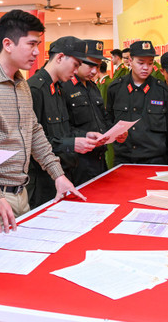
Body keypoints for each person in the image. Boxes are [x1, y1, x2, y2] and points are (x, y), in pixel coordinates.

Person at [0, 10, 84, 244]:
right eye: (31, 44)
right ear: (8, 44)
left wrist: (58, 175)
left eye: (38, 44)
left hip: (21, 192)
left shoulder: (21, 83)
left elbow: (34, 131)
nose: (37, 52)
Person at [27, 36, 103, 207]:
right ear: (60, 58)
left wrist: (85, 135)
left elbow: (64, 130)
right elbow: (33, 141)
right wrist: (71, 144)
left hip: (64, 173)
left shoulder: (58, 89)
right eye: (75, 65)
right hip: (42, 180)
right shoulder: (34, 90)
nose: (76, 71)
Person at [60, 39, 125, 185]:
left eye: (97, 65)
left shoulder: (93, 87)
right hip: (78, 162)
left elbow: (103, 117)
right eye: (90, 65)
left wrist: (115, 131)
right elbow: (63, 129)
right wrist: (84, 137)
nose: (95, 71)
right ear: (78, 61)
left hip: (100, 158)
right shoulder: (65, 87)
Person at [105, 40, 168, 165]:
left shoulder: (162, 90)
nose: (146, 68)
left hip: (154, 159)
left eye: (150, 63)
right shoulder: (116, 88)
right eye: (141, 63)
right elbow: (109, 119)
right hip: (123, 158)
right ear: (130, 61)